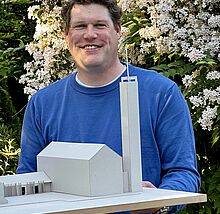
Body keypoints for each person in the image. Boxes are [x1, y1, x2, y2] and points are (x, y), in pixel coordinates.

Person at [17, 0, 200, 212]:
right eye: (80, 26)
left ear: (117, 30)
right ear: (67, 36)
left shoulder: (161, 93)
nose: (90, 35)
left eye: (100, 25)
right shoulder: (42, 103)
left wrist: (158, 203)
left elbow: (183, 173)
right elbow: (27, 179)